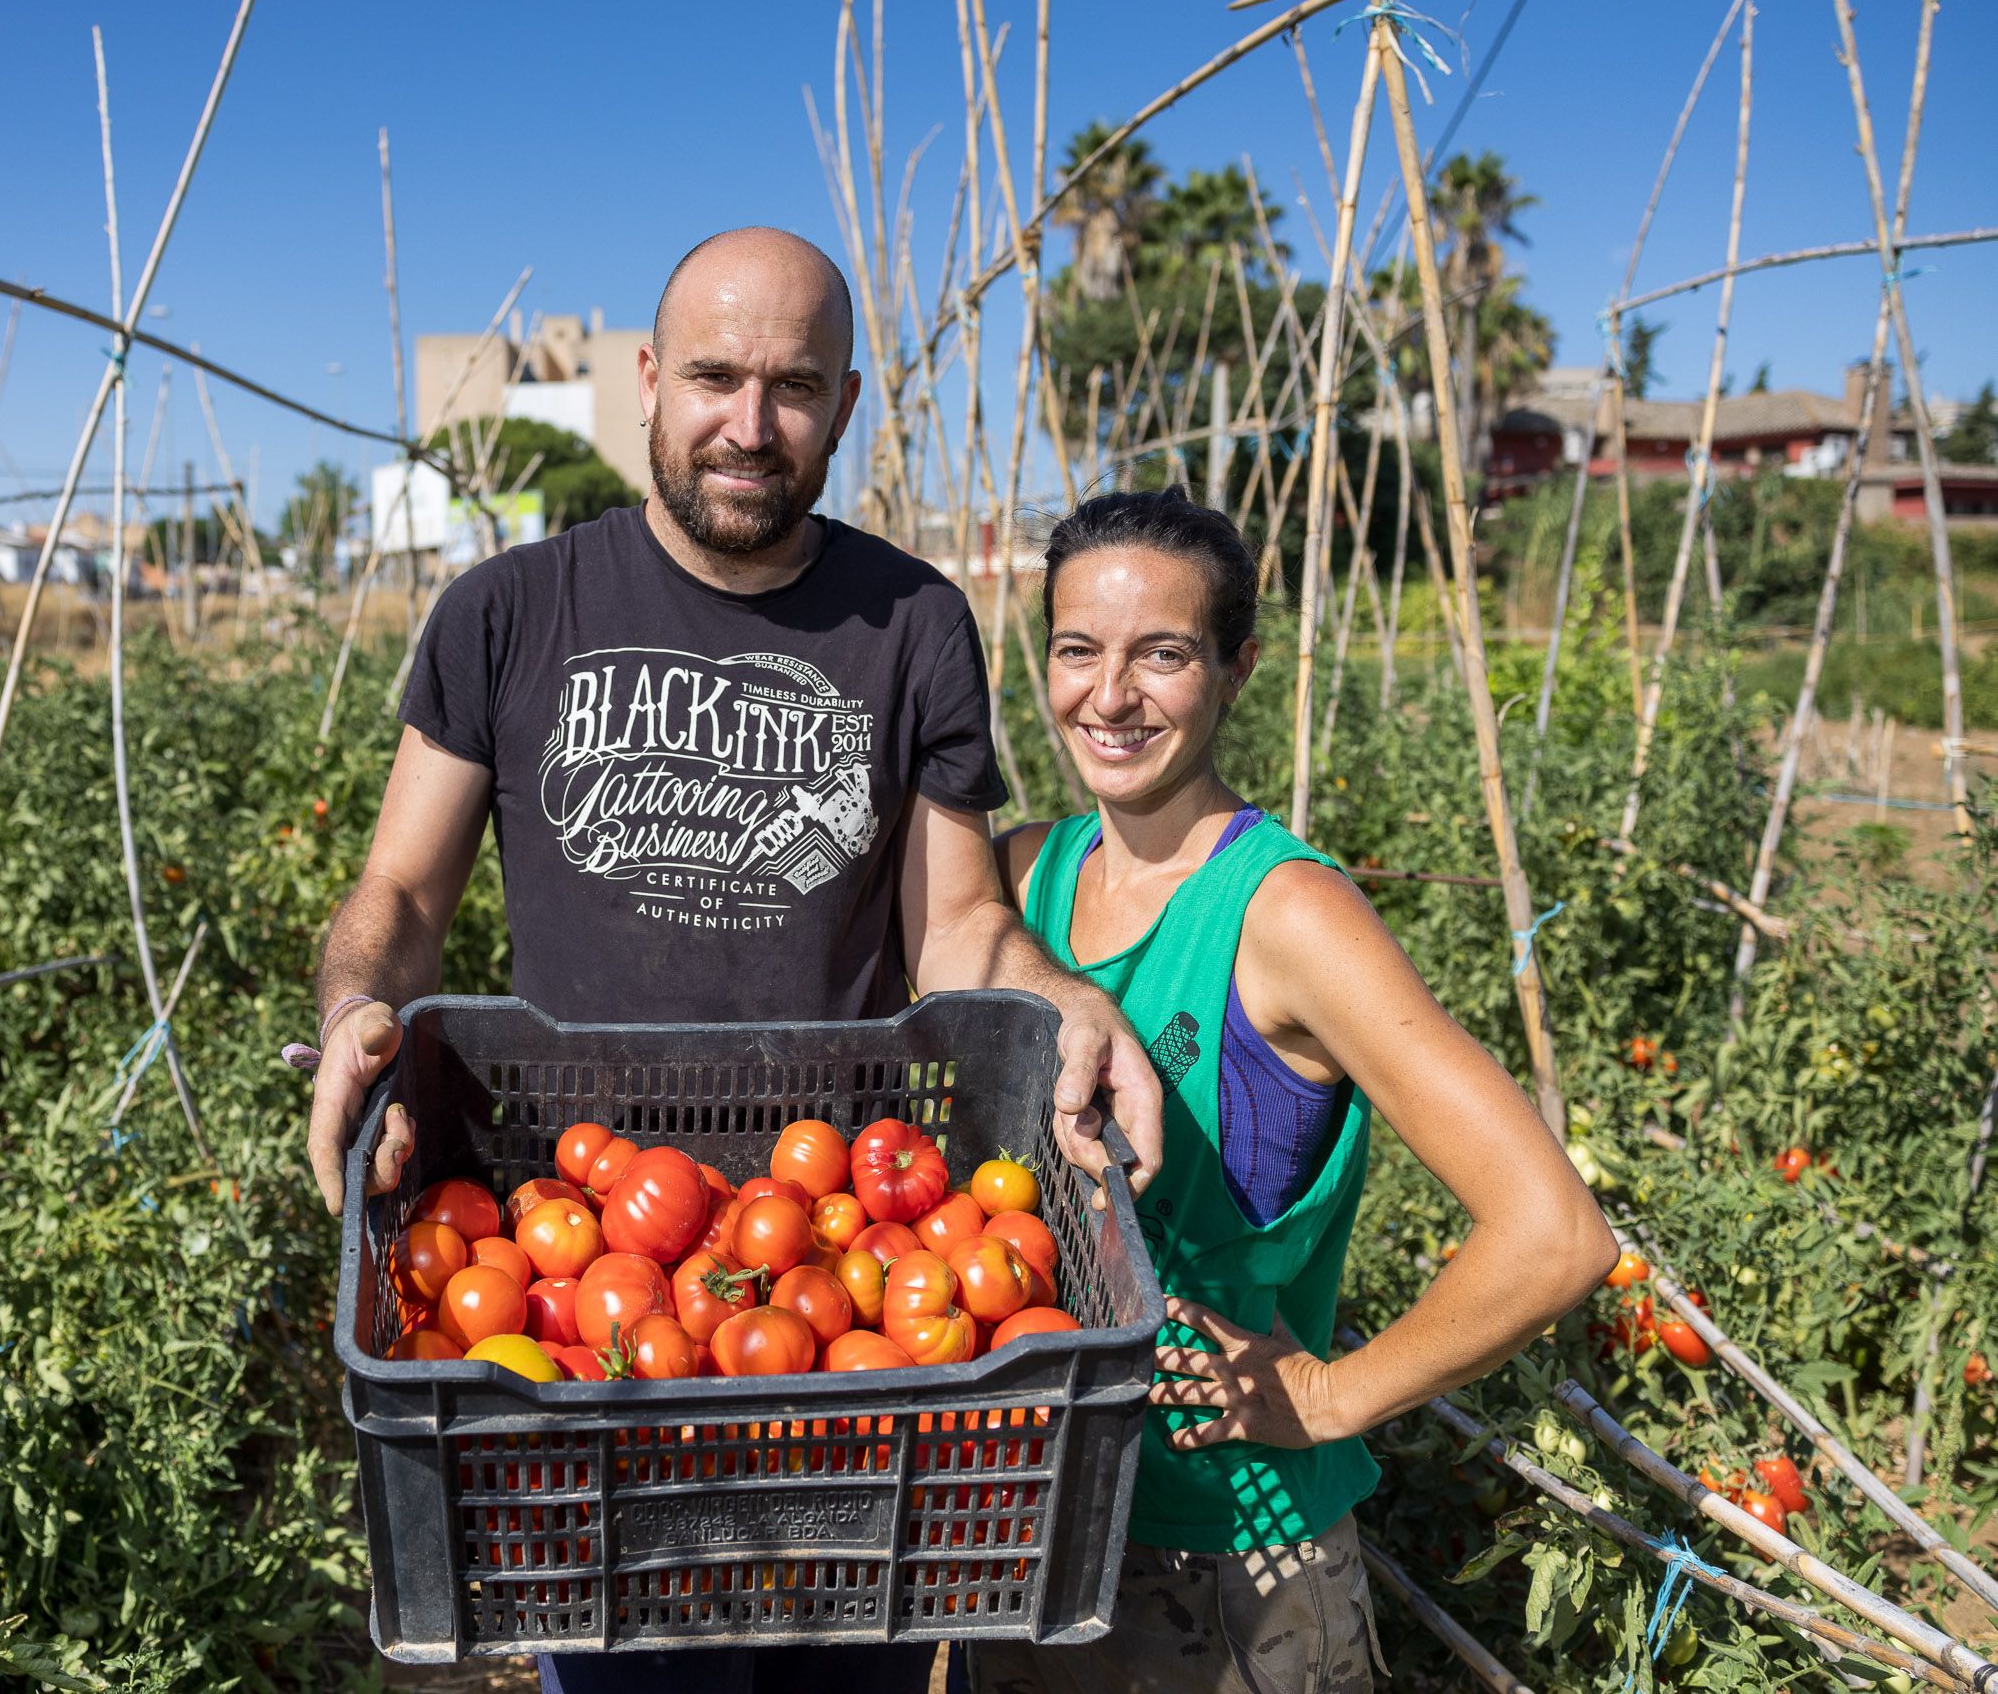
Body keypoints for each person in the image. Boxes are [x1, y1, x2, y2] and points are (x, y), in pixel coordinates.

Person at [302, 227, 1165, 1694]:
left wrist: (1069, 1000)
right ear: (646, 381)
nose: (748, 426)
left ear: (841, 406)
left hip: (858, 1284)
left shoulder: (914, 625)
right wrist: (357, 1007)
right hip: (594, 1314)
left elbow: (957, 929)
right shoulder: (505, 615)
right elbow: (397, 887)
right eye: (714, 376)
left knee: (862, 1662)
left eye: (793, 387)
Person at [963, 491, 1616, 1693]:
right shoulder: (1020, 880)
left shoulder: (1286, 915)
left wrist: (1325, 1393)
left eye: (1162, 654)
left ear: (1236, 667)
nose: (1109, 698)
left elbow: (1556, 1233)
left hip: (1223, 1561)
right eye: (1077, 651)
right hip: (1030, 1533)